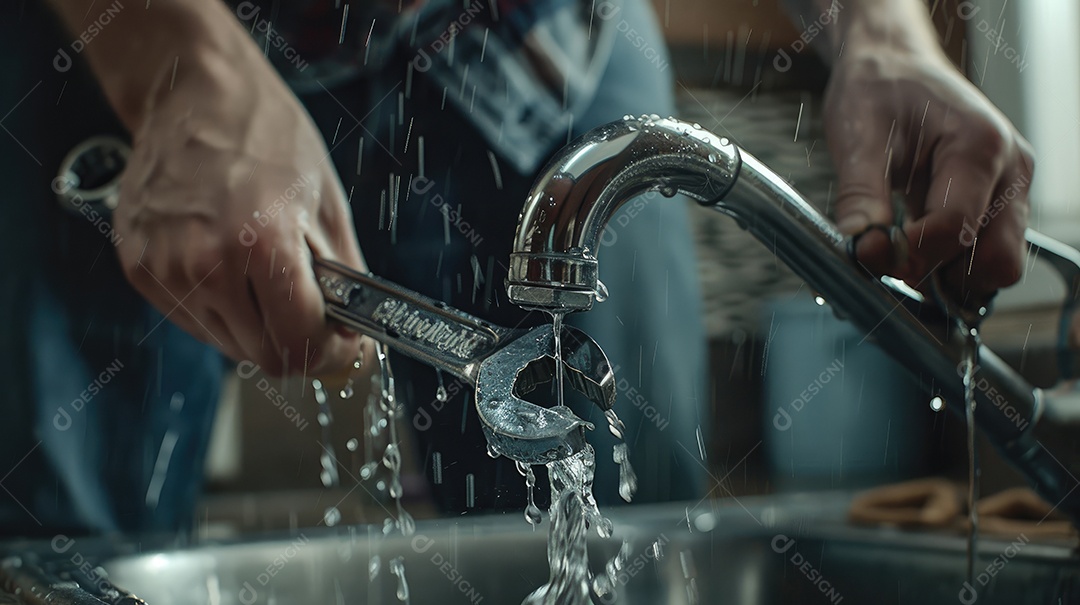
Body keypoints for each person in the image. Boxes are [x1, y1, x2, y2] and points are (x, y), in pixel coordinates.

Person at [0, 0, 1030, 535]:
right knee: (69, 555)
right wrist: (178, 62)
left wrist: (886, 34)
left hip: (531, 40)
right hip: (103, 36)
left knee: (629, 539)